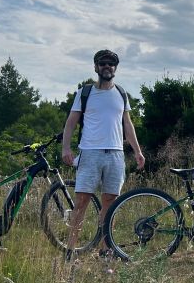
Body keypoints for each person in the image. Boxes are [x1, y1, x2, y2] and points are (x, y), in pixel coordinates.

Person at [61, 49, 145, 260]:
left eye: (111, 64)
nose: (107, 67)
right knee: (82, 201)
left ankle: (106, 249)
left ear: (115, 68)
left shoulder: (121, 93)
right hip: (90, 153)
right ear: (96, 67)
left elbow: (128, 124)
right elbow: (70, 122)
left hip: (115, 154)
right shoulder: (85, 93)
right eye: (103, 63)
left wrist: (137, 151)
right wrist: (66, 148)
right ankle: (70, 250)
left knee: (111, 202)